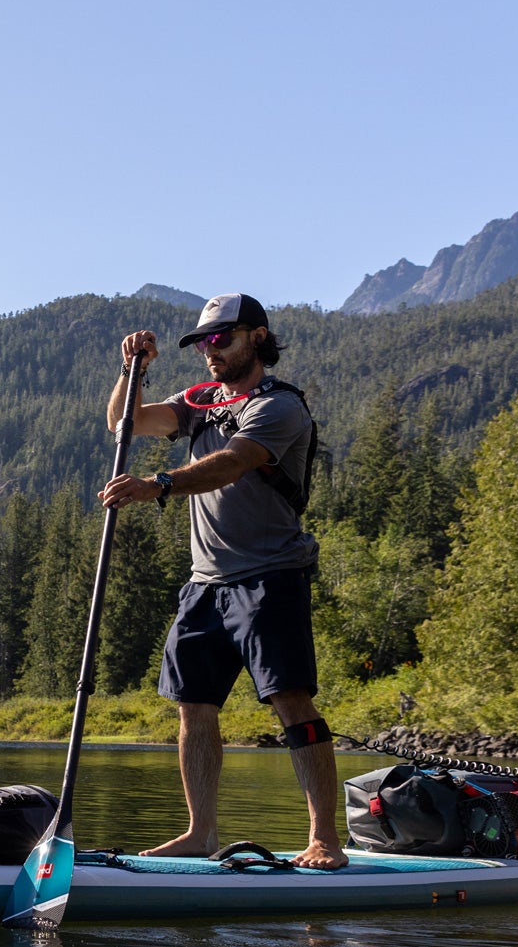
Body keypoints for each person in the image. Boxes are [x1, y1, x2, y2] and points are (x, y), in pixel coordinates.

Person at [98, 294, 345, 869]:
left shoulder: (280, 406)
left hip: (269, 576)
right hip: (204, 583)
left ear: (257, 338)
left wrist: (158, 484)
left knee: (291, 701)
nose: (210, 351)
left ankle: (325, 840)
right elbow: (125, 424)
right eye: (202, 343)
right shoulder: (201, 401)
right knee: (193, 706)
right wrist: (132, 371)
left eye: (221, 339)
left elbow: (233, 462)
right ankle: (201, 833)